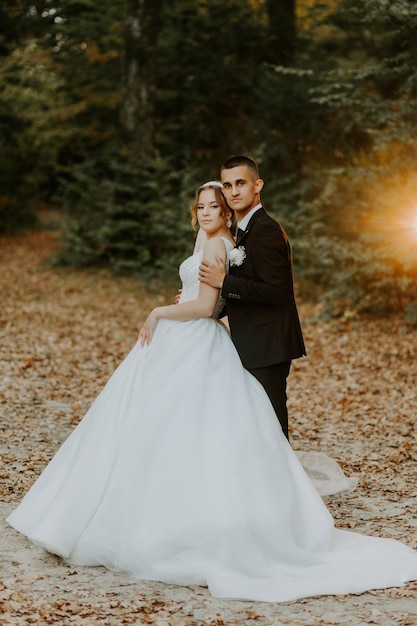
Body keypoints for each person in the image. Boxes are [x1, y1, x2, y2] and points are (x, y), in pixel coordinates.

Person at [6, 182, 417, 603]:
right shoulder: (206, 237)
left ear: (226, 213)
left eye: (214, 206)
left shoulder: (222, 245)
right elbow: (206, 297)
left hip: (196, 338)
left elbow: (206, 307)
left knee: (187, 425)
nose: (205, 212)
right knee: (146, 421)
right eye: (200, 206)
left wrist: (160, 311)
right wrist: (189, 304)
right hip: (182, 340)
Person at [199, 156, 305, 440]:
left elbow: (278, 292)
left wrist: (225, 282)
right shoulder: (244, 230)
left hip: (268, 344)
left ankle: (284, 483)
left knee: (270, 423)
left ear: (257, 185)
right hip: (253, 342)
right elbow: (251, 287)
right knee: (256, 423)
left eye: (241, 183)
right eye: (228, 185)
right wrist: (215, 307)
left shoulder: (266, 229)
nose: (233, 191)